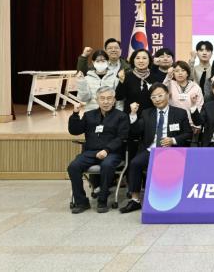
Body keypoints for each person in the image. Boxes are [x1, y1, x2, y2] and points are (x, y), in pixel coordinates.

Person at [119, 83, 192, 213]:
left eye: (160, 95)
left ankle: (173, 197)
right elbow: (135, 132)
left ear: (168, 95)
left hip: (172, 150)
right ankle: (135, 200)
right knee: (135, 163)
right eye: (153, 97)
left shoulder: (179, 113)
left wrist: (173, 140)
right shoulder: (147, 113)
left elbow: (188, 133)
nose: (157, 99)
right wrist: (133, 114)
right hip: (151, 150)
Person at [68, 86, 129, 214]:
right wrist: (75, 114)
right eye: (102, 98)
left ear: (114, 100)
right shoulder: (89, 115)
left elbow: (121, 137)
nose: (106, 102)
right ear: (97, 100)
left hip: (112, 153)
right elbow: (74, 131)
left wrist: (107, 150)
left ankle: (102, 200)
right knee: (73, 167)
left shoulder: (121, 116)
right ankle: (81, 202)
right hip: (90, 152)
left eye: (109, 98)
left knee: (107, 165)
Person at [162, 61, 204, 133]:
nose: (180, 73)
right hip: (173, 123)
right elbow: (162, 91)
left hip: (191, 124)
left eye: (183, 70)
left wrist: (196, 125)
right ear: (173, 73)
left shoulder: (196, 87)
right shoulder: (170, 84)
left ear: (187, 73)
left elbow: (199, 106)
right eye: (177, 71)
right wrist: (168, 76)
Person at [115, 49, 161, 114]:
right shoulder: (126, 76)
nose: (141, 61)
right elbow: (118, 97)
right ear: (133, 60)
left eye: (144, 58)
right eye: (138, 58)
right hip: (131, 115)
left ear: (149, 60)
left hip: (151, 115)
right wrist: (121, 81)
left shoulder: (155, 77)